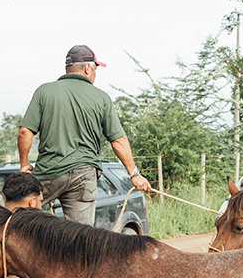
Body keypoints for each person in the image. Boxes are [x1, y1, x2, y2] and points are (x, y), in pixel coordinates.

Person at [18, 45, 151, 226]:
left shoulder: (44, 91)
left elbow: (25, 131)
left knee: (18, 219)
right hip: (83, 176)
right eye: (95, 69)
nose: (95, 74)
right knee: (80, 238)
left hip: (48, 173)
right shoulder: (101, 98)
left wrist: (24, 164)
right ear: (87, 68)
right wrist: (134, 174)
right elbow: (118, 140)